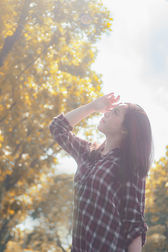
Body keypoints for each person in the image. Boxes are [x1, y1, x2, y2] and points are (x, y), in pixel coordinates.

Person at [49, 92, 154, 252]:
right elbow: (57, 127)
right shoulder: (88, 153)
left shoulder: (129, 167)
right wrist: (92, 107)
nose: (107, 113)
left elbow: (133, 225)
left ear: (125, 130)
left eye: (115, 112)